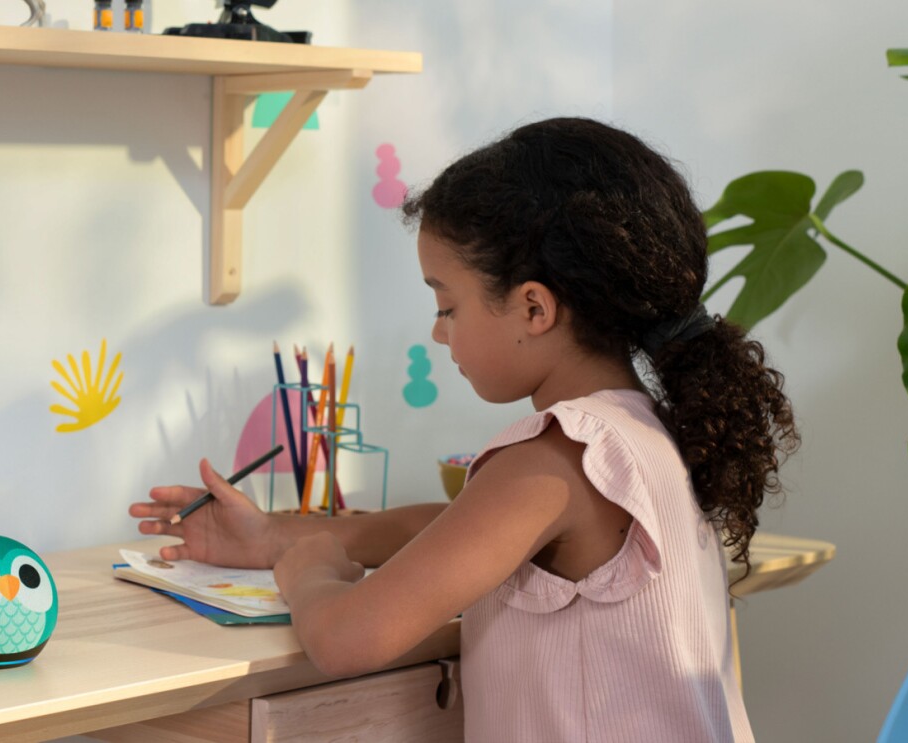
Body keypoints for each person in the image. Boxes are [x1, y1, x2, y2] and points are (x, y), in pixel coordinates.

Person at [129, 117, 798, 742]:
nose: (437, 329)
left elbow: (344, 637)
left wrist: (307, 572)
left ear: (534, 306)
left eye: (447, 304)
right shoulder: (637, 431)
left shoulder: (562, 455)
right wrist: (276, 534)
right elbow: (456, 528)